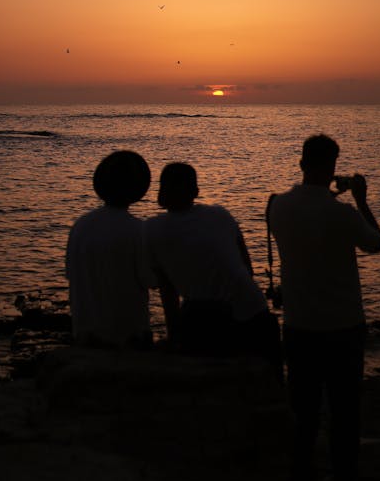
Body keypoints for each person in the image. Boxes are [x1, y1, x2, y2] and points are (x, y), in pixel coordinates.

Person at [268, 134, 380, 481]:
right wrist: (361, 201)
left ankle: (303, 473)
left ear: (302, 163)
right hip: (343, 324)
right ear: (333, 167)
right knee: (345, 409)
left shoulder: (277, 207)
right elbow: (374, 243)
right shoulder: (343, 213)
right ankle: (344, 477)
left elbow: (308, 217)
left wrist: (332, 197)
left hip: (300, 324)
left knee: (303, 408)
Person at [145, 162, 282, 375]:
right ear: (196, 191)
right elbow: (247, 268)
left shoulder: (151, 229)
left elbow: (167, 290)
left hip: (209, 319)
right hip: (255, 313)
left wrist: (174, 339)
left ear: (162, 191)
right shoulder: (220, 214)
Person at [65, 150, 153, 349]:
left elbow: (71, 273)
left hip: (85, 335)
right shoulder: (139, 231)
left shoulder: (80, 226)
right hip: (128, 336)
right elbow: (150, 280)